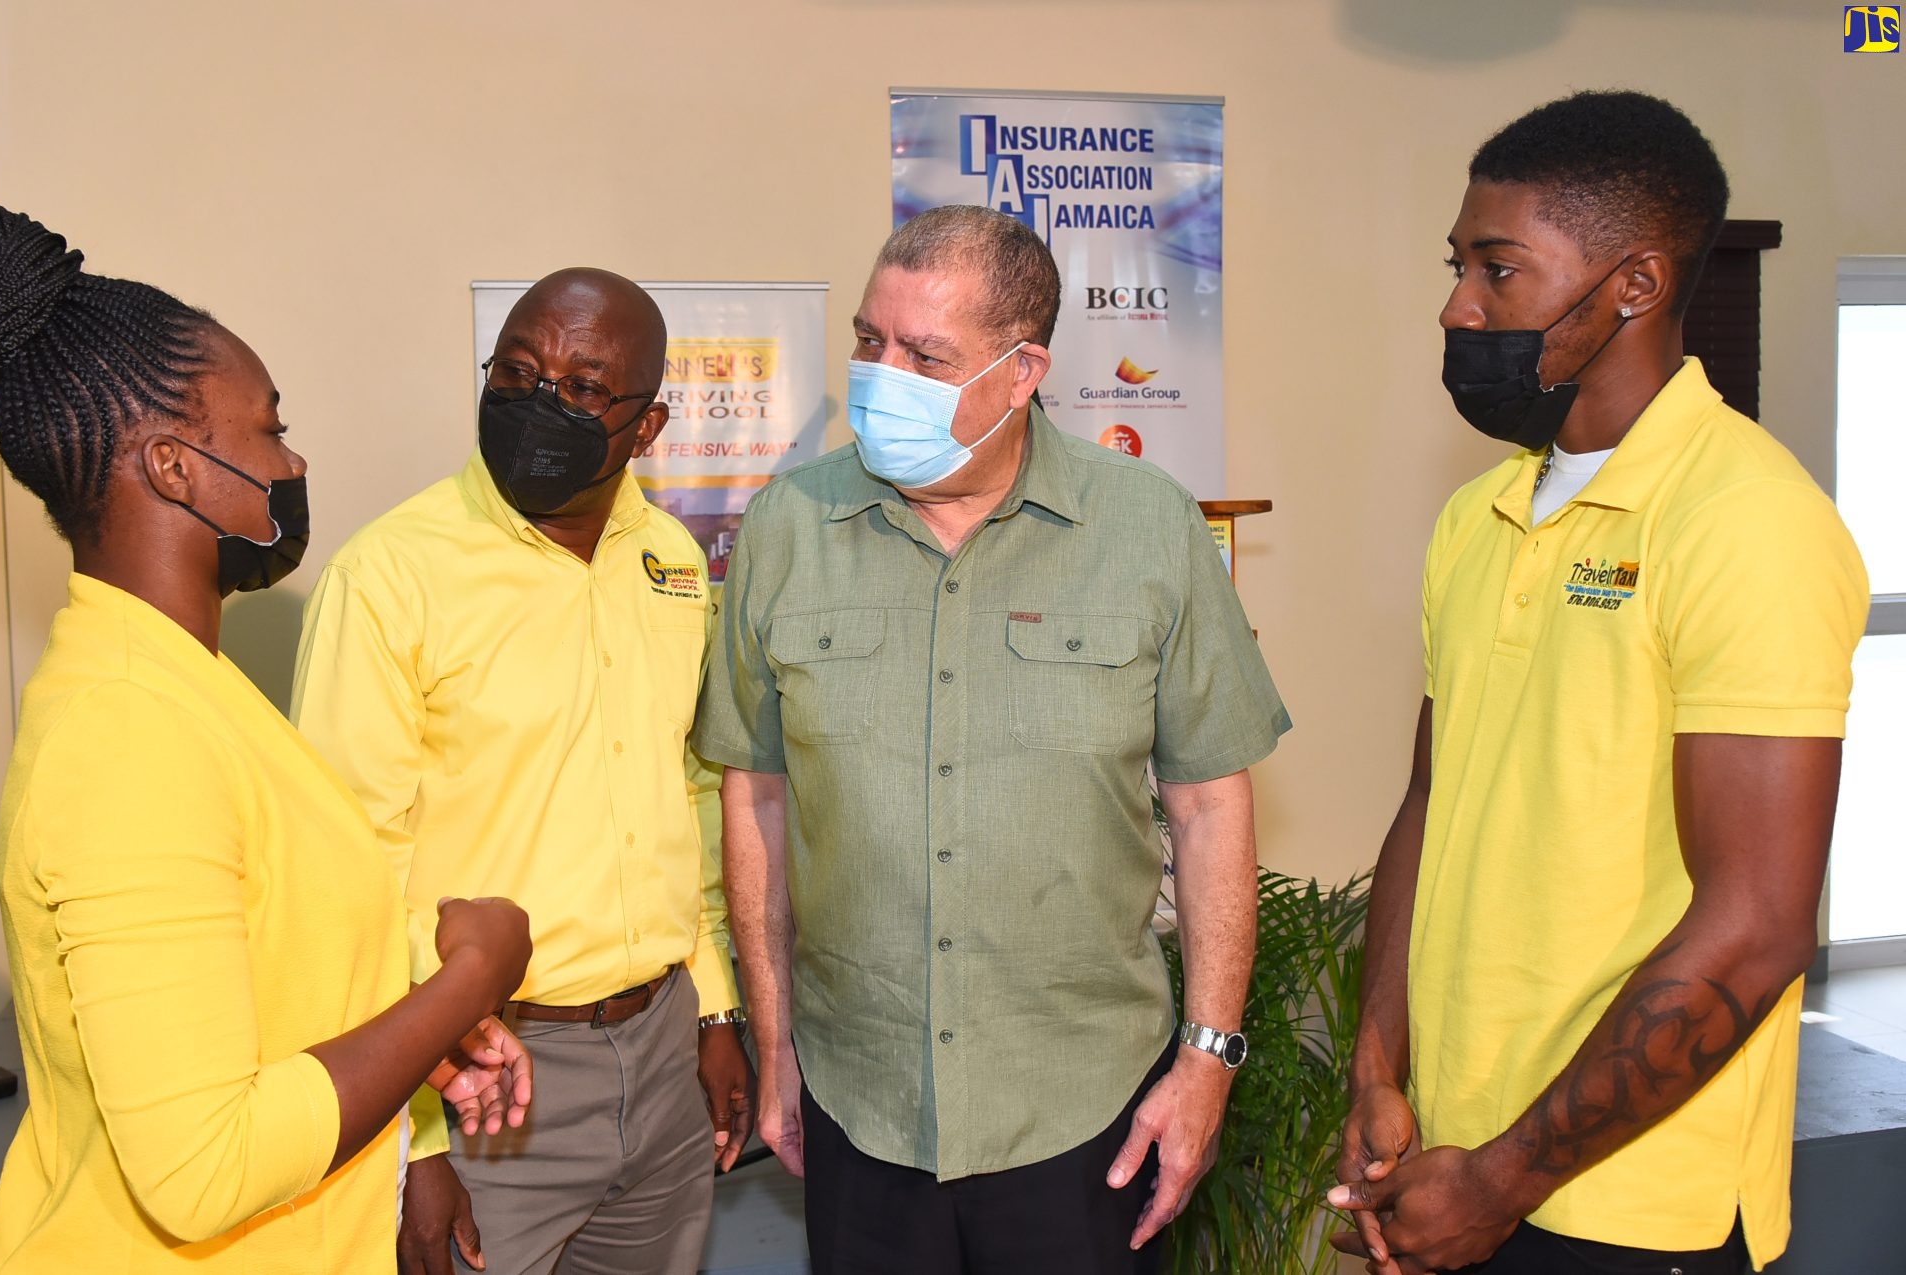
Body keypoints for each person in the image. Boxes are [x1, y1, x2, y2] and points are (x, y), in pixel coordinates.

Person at [0, 204, 536, 1274]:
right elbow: (203, 1170)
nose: (291, 458)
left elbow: (257, 952)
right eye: (269, 428)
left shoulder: (184, 685)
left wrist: (417, 1017)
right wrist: (470, 979)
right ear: (175, 466)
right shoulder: (130, 739)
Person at [693, 204, 1291, 1274]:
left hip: (1083, 1109)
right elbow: (759, 797)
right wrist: (774, 1040)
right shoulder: (786, 527)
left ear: (1022, 374)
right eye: (869, 341)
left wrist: (1205, 1063)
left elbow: (1209, 804)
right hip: (858, 1098)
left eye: (924, 354)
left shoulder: (1147, 526)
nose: (882, 373)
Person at [1329, 92, 1868, 1275]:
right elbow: (1432, 803)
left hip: (1625, 1201)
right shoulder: (1476, 518)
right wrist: (1380, 1066)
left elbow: (1755, 927)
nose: (1455, 305)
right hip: (1453, 1152)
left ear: (1631, 283)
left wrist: (1504, 1177)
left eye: (1497, 270)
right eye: (1456, 264)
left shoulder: (1746, 525)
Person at [292, 268, 752, 1275]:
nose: (541, 401)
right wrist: (410, 1138)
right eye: (517, 369)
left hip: (662, 1048)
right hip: (482, 1072)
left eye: (585, 387)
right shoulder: (390, 576)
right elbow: (341, 875)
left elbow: (687, 792)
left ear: (647, 426)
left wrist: (714, 1011)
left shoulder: (668, 561)